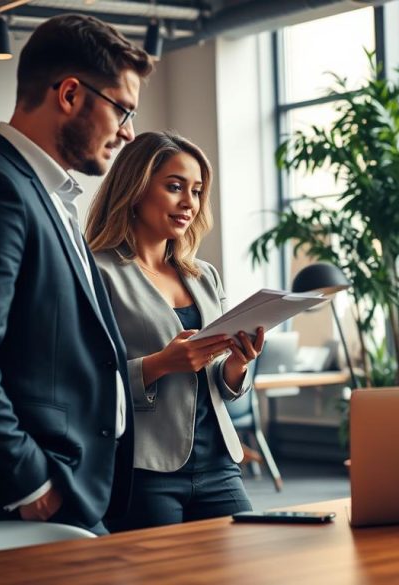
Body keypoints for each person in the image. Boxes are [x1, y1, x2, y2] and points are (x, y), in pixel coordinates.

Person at [0, 15, 152, 535]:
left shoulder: (50, 194)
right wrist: (31, 484)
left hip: (72, 489)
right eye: (122, 109)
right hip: (18, 502)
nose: (128, 132)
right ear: (71, 94)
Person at [86, 132, 262, 530]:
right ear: (134, 189)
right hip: (146, 469)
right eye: (174, 187)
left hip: (219, 463)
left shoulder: (203, 276)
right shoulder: (98, 272)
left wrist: (237, 362)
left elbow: (220, 382)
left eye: (197, 191)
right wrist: (160, 364)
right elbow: (85, 380)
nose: (189, 203)